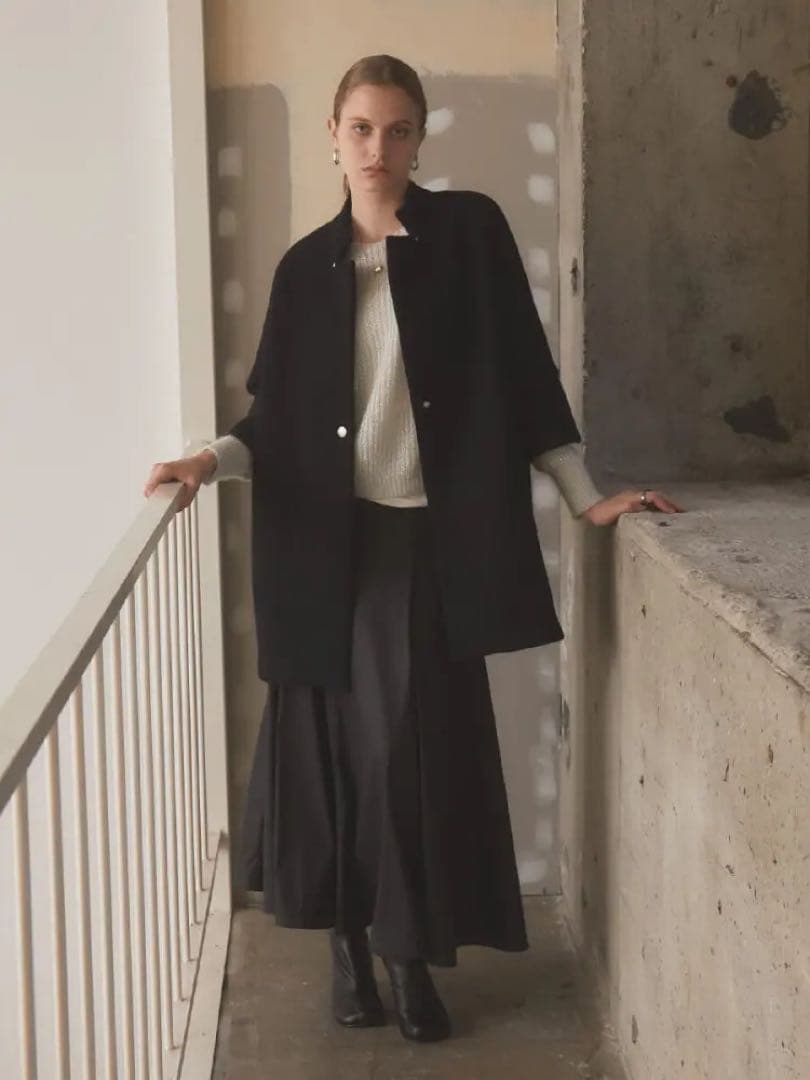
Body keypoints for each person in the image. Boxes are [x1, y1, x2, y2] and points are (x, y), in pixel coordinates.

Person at [144, 54, 683, 1043]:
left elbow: (525, 380)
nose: (378, 149)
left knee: (404, 752)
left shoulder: (467, 235)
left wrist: (588, 500)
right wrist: (204, 463)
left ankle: (407, 955)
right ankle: (352, 951)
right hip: (321, 551)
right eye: (361, 128)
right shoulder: (303, 270)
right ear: (333, 135)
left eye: (397, 130)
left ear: (420, 138)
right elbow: (272, 426)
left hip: (422, 543)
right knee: (330, 757)